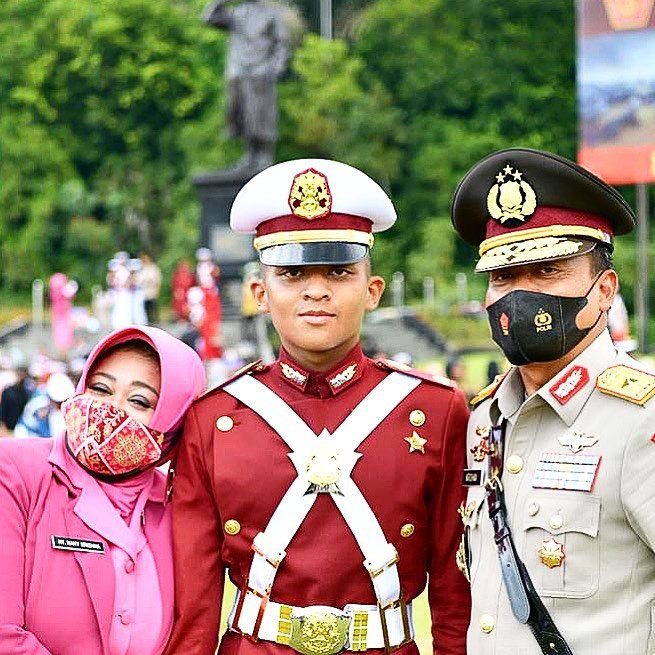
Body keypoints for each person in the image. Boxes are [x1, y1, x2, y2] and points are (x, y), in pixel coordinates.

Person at [164, 159, 471, 655]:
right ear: (260, 295)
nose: (316, 290)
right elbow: (193, 611)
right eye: (292, 273)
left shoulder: (437, 411)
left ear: (372, 291)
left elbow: (457, 603)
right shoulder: (212, 420)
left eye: (338, 272)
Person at [450, 147, 652, 654]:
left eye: (547, 272)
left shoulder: (640, 420)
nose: (520, 296)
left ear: (604, 289)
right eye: (503, 277)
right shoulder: (485, 420)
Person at [0, 325, 206, 654]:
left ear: (173, 422)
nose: (111, 409)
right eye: (100, 388)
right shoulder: (13, 473)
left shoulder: (179, 504)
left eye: (139, 400)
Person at [202, 0, 290, 170]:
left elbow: (282, 42)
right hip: (238, 69)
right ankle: (250, 155)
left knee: (260, 114)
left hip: (260, 69)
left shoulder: (270, 14)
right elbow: (209, 19)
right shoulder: (236, 13)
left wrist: (275, 66)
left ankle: (264, 155)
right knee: (239, 112)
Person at [138, 253, 163, 325]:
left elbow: (157, 279)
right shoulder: (142, 269)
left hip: (152, 290)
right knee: (146, 308)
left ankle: (156, 321)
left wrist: (157, 289)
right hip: (144, 291)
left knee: (153, 306)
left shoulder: (153, 268)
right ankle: (149, 321)